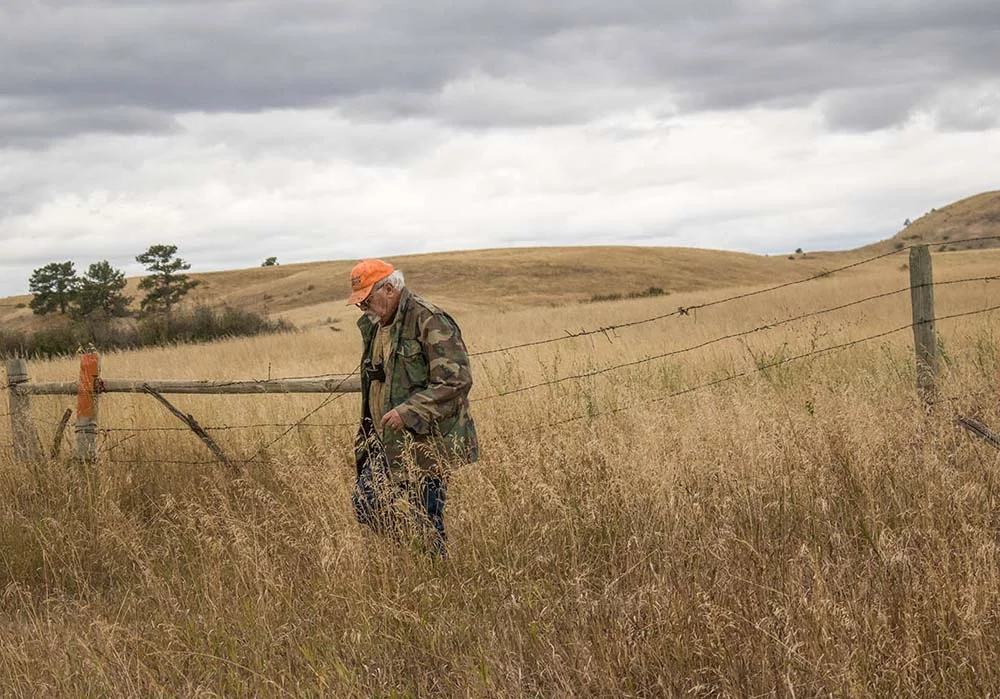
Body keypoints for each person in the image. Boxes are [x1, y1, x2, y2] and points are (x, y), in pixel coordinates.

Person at [347, 259, 478, 555]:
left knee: (427, 520)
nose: (363, 308)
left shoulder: (429, 319)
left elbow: (456, 382)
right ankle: (415, 552)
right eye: (359, 303)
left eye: (367, 300)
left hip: (426, 443)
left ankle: (434, 568)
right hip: (386, 441)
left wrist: (408, 412)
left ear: (390, 289)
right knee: (365, 504)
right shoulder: (375, 325)